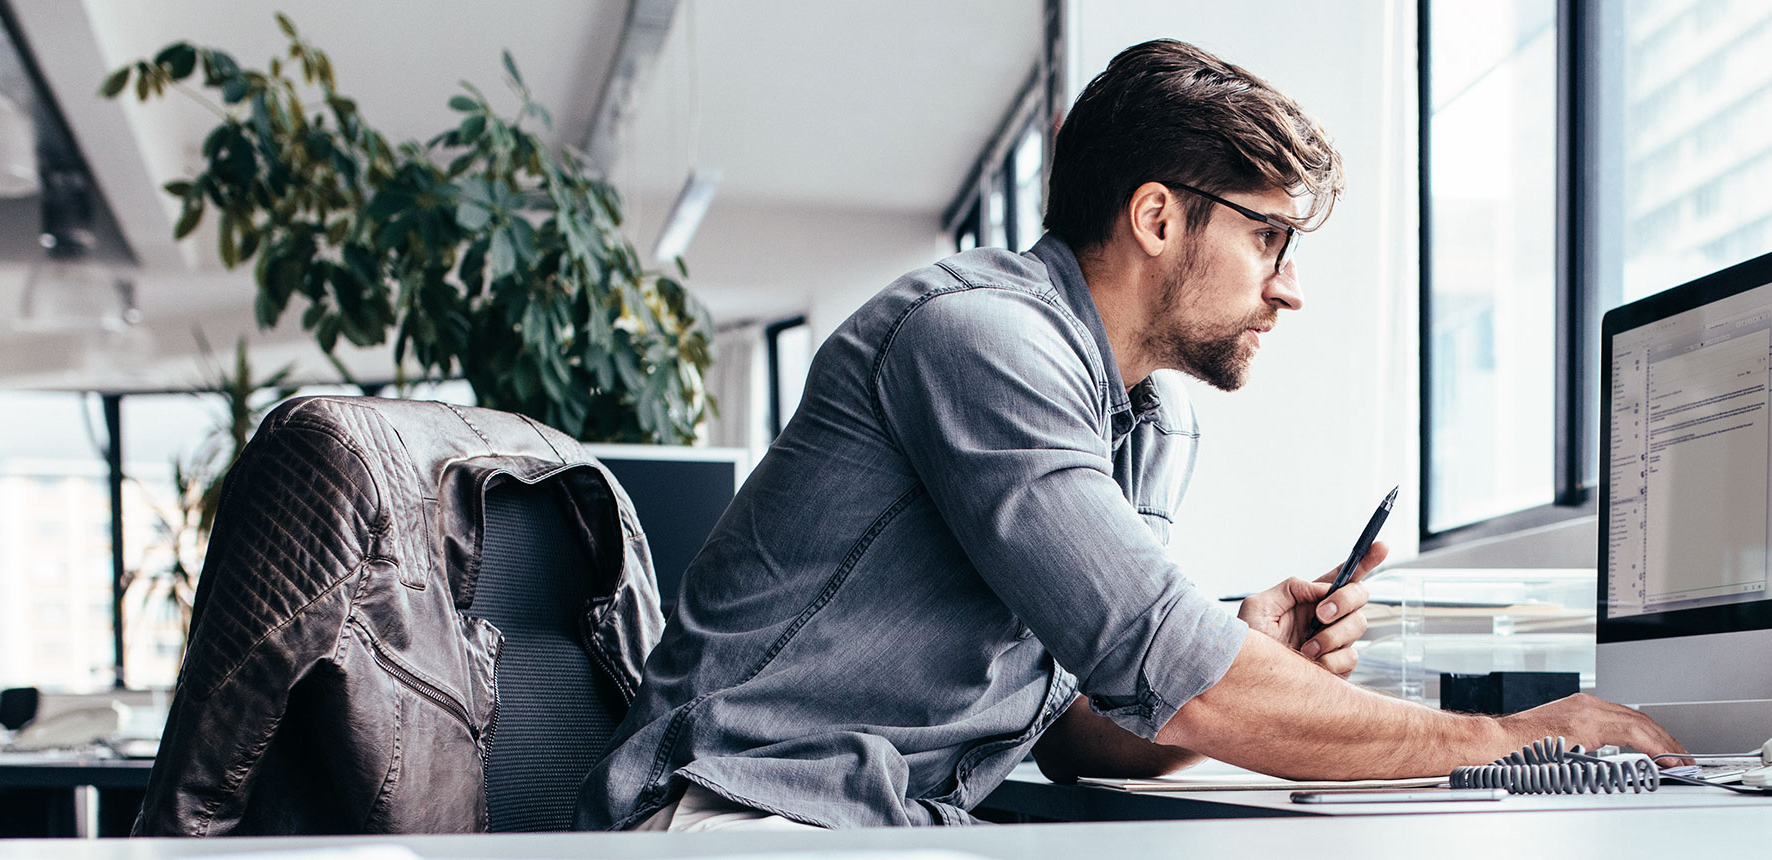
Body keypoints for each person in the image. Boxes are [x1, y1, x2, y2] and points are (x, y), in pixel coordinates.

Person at [575, 38, 1684, 832]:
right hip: (734, 813)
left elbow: (1073, 729)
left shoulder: (1151, 416)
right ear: (1157, 217)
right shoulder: (980, 342)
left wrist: (1245, 647)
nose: (1289, 287)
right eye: (1270, 237)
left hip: (889, 821)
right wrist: (1510, 741)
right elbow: (1180, 674)